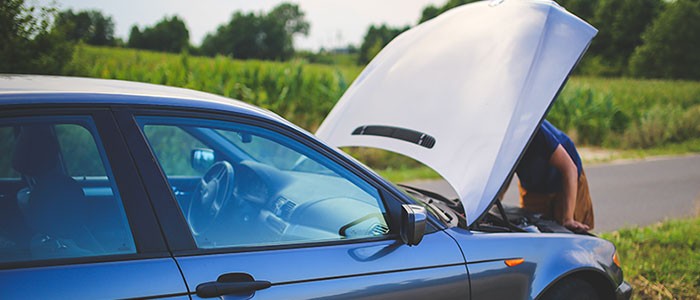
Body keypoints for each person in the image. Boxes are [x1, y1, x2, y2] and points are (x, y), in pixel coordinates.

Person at [515, 120, 594, 232]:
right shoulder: (495, 139)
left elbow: (569, 169)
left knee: (569, 232)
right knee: (531, 231)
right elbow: (503, 175)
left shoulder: (533, 130)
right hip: (533, 184)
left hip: (566, 179)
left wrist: (568, 218)